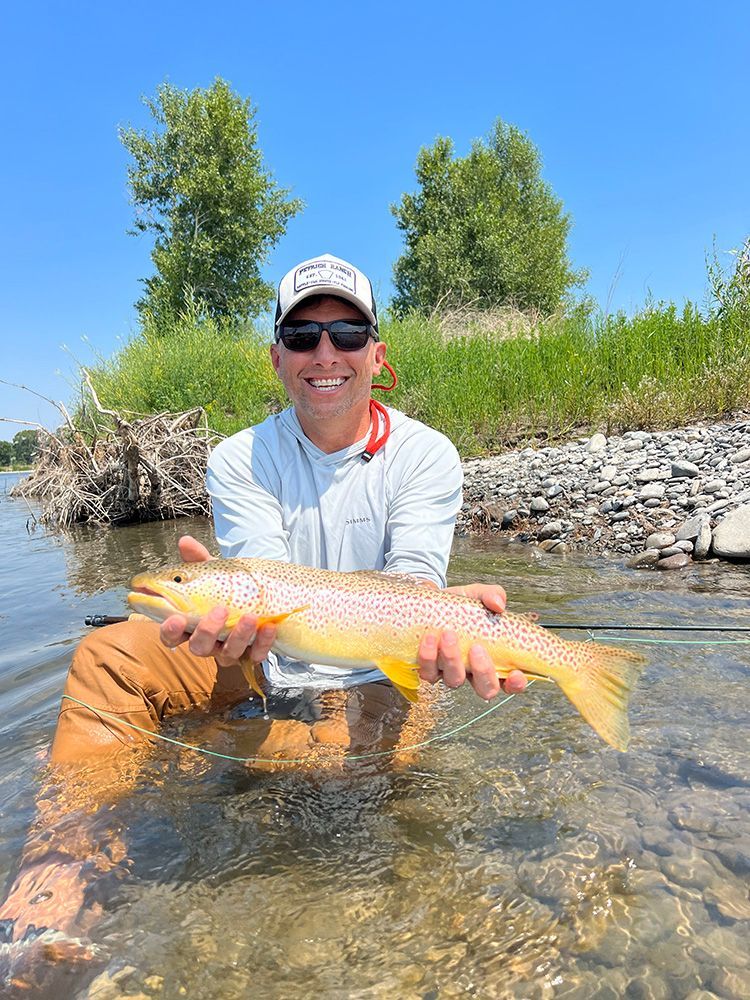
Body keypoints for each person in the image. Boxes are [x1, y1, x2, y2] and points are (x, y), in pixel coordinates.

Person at [0, 253, 525, 977]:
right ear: (276, 357)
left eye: (346, 332)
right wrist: (217, 615)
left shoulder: (426, 454)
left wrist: (445, 634)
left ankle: (164, 756)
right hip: (256, 654)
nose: (325, 353)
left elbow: (414, 583)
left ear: (377, 352)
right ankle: (51, 895)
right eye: (302, 336)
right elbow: (256, 589)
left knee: (348, 780)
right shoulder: (239, 456)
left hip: (376, 671)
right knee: (109, 656)